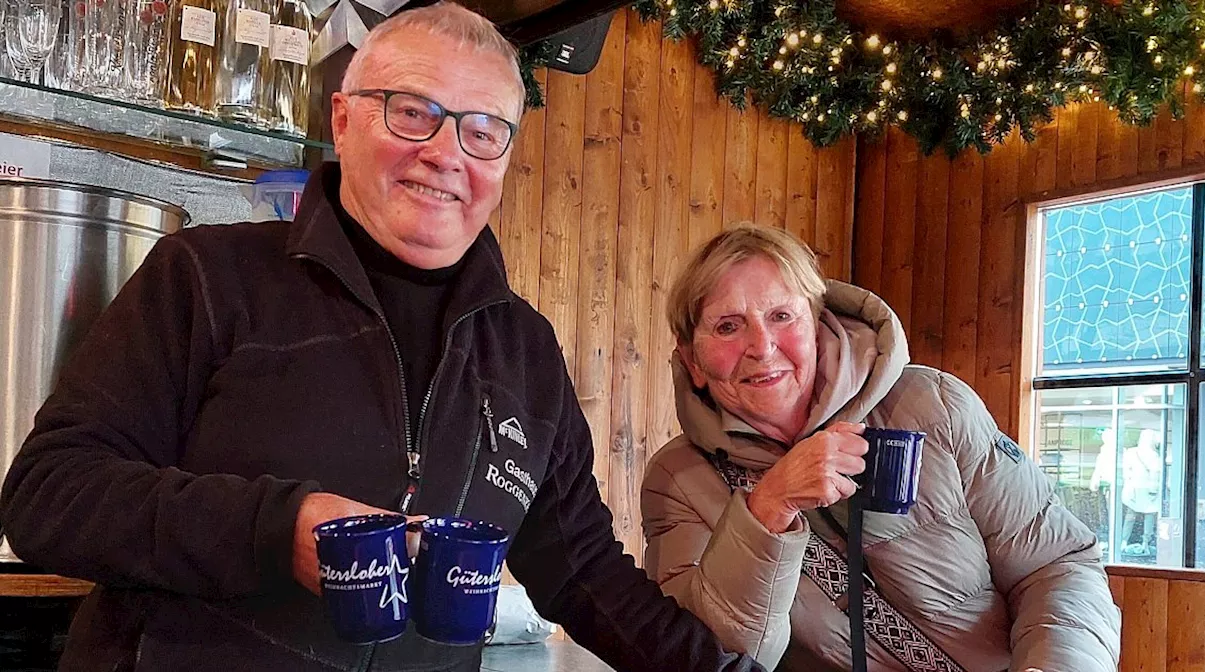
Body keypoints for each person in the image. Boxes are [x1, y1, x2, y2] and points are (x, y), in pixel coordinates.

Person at [0, 6, 765, 672]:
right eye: (411, 112)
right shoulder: (205, 276)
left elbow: (584, 571)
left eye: (483, 130)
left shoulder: (525, 352)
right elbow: (49, 496)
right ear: (342, 119)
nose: (445, 153)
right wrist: (275, 529)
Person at [640, 224, 1120, 672]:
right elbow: (709, 658)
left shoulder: (933, 405)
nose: (762, 346)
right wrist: (768, 508)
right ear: (692, 360)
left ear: (817, 322)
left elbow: (1056, 564)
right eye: (728, 326)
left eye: (782, 315)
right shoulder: (678, 481)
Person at [1120, 428, 1163, 557]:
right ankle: (1145, 542)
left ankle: (1123, 541)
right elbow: (1156, 474)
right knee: (1149, 516)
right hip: (1148, 490)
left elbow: (1126, 473)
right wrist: (1154, 490)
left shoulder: (1131, 453)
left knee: (1130, 516)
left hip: (1134, 489)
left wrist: (1129, 487)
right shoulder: (1154, 456)